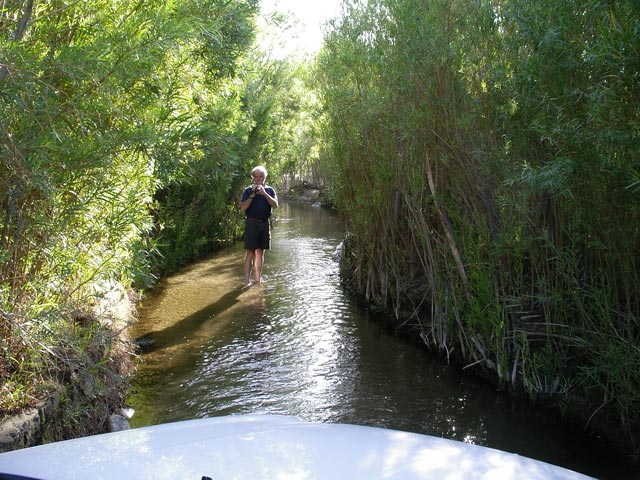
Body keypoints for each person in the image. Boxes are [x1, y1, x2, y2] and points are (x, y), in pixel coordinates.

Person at [240, 165, 278, 286]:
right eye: (256, 177)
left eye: (260, 176)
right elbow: (242, 208)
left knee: (260, 253)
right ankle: (246, 281)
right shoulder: (247, 190)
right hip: (251, 223)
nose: (258, 179)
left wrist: (264, 193)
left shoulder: (270, 190)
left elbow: (275, 205)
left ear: (265, 177)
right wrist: (252, 195)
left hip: (264, 224)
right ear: (253, 178)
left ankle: (257, 280)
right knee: (250, 252)